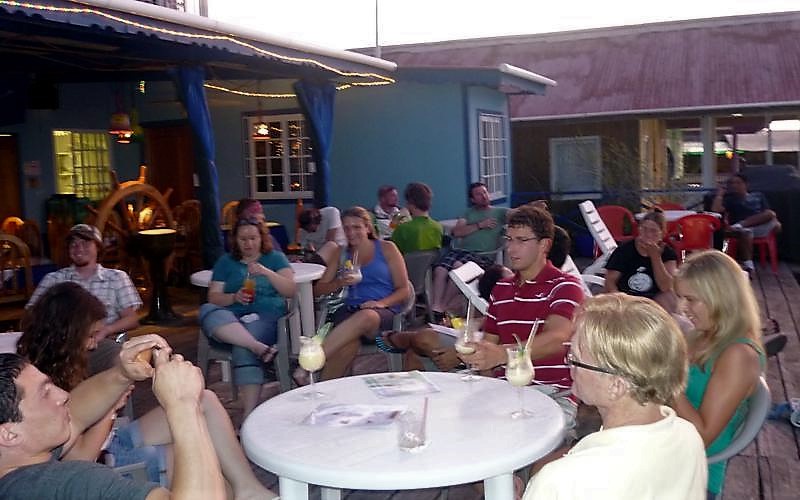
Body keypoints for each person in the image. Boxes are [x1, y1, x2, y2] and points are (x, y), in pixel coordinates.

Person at [16, 283, 275, 497]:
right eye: (91, 335)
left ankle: (249, 489)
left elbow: (116, 359)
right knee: (201, 461)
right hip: (102, 460)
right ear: (68, 332)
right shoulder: (35, 385)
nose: (94, 343)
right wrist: (111, 408)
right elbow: (82, 457)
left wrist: (140, 361)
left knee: (203, 399)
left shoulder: (69, 357)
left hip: (112, 439)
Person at [0, 336, 250, 499]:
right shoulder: (69, 483)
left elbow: (75, 413)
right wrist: (183, 404)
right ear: (9, 434)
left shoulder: (20, 459)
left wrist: (122, 373)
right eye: (45, 393)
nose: (63, 395)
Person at [523, 294, 707, 499]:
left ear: (616, 385)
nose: (570, 367)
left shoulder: (560, 482)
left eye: (575, 359)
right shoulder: (688, 436)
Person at [459, 206, 585, 418]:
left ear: (544, 245)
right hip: (505, 391)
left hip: (553, 393)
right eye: (509, 239)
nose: (511, 249)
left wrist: (501, 354)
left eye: (521, 240)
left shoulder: (565, 287)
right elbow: (489, 345)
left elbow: (557, 338)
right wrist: (481, 359)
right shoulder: (501, 289)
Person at [673, 250, 765, 499]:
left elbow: (702, 437)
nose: (682, 308)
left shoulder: (739, 355)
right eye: (680, 297)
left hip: (694, 476)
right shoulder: (700, 336)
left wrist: (665, 380)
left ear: (720, 297)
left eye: (691, 299)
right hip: (669, 451)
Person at [199, 218, 296, 417]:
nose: (248, 244)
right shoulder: (226, 262)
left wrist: (266, 272)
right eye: (243, 239)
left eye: (253, 238)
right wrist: (234, 297)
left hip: (266, 315)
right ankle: (258, 347)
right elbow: (214, 297)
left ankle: (248, 414)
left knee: (242, 344)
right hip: (231, 318)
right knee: (207, 309)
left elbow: (290, 290)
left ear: (261, 238)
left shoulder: (275, 258)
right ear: (235, 240)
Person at [308, 206, 410, 381]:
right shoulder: (341, 253)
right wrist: (339, 282)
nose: (351, 232)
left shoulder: (387, 248)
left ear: (368, 228)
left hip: (382, 314)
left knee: (367, 316)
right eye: (346, 228)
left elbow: (404, 289)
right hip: (350, 312)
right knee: (347, 346)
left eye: (356, 227)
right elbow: (318, 290)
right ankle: (324, 390)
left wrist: (381, 303)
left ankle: (309, 364)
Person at [26, 224, 142, 374]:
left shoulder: (116, 277)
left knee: (119, 359)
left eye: (85, 243)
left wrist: (105, 331)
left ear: (98, 248)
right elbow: (31, 315)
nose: (78, 248)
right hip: (62, 347)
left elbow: (132, 319)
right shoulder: (54, 279)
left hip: (101, 342)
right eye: (73, 244)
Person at [430, 182, 508, 320]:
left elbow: (517, 213)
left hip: (481, 256)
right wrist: (480, 225)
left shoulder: (499, 212)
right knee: (440, 269)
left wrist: (533, 207)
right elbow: (457, 232)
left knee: (458, 268)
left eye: (485, 192)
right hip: (460, 251)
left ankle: (443, 308)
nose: (484, 196)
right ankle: (436, 307)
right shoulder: (468, 213)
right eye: (479, 194)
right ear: (472, 199)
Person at [604, 210, 678, 311]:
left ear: (662, 234)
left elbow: (665, 287)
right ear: (639, 229)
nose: (648, 234)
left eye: (653, 231)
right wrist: (620, 300)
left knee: (670, 297)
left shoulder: (668, 253)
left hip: (654, 299)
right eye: (644, 229)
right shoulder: (624, 250)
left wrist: (655, 257)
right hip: (627, 297)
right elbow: (610, 281)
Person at [710, 173, 780, 273]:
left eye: (738, 183)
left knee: (771, 214)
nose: (735, 185)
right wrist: (719, 194)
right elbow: (715, 209)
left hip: (759, 226)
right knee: (747, 232)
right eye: (732, 183)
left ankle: (740, 225)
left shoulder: (758, 195)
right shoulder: (730, 199)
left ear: (746, 184)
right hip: (741, 231)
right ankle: (748, 265)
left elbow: (767, 212)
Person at [390, 182, 443, 255]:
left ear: (410, 203)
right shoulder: (438, 227)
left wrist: (397, 218)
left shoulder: (402, 229)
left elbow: (391, 253)